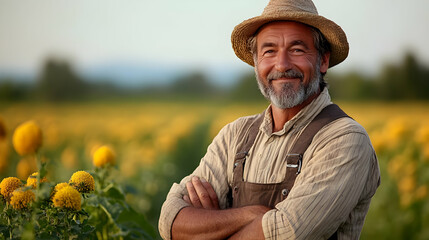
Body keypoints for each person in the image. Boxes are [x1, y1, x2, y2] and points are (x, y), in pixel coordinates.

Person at [159, 0, 380, 239]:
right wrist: (250, 214)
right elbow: (170, 220)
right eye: (269, 51)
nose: (282, 65)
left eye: (297, 49)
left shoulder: (345, 139)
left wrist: (210, 228)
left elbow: (287, 233)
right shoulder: (235, 134)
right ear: (256, 63)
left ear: (323, 60)